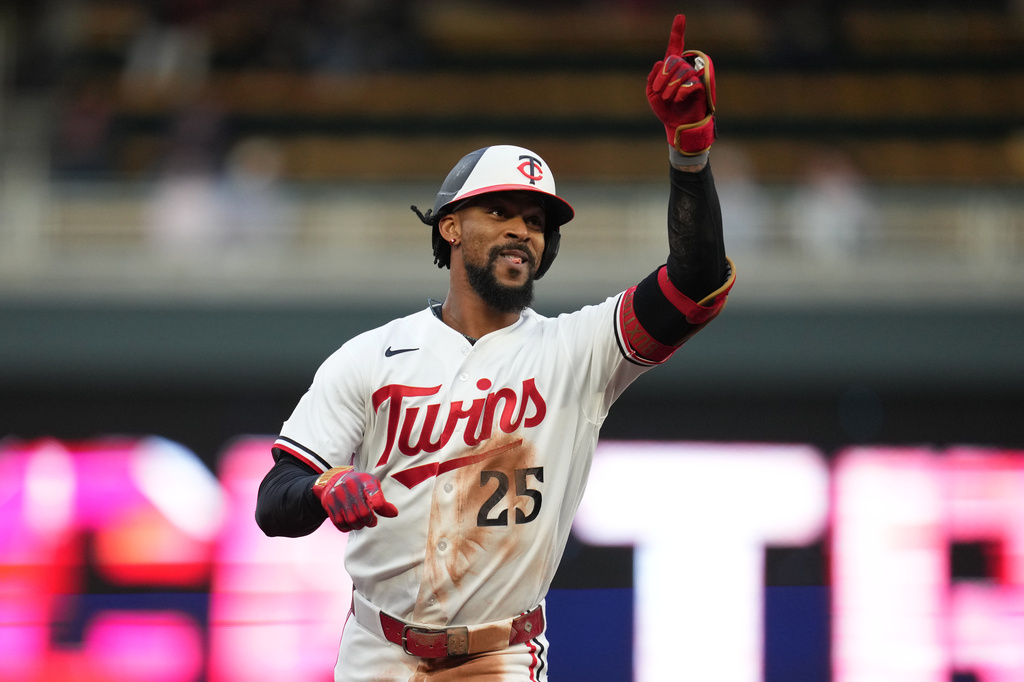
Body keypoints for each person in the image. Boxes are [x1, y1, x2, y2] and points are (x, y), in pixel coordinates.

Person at [255, 14, 735, 681]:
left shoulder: (580, 350)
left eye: (535, 221)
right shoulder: (370, 356)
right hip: (375, 650)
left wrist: (689, 151)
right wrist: (322, 487)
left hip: (499, 655)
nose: (522, 230)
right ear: (450, 226)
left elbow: (696, 284)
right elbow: (275, 500)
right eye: (501, 212)